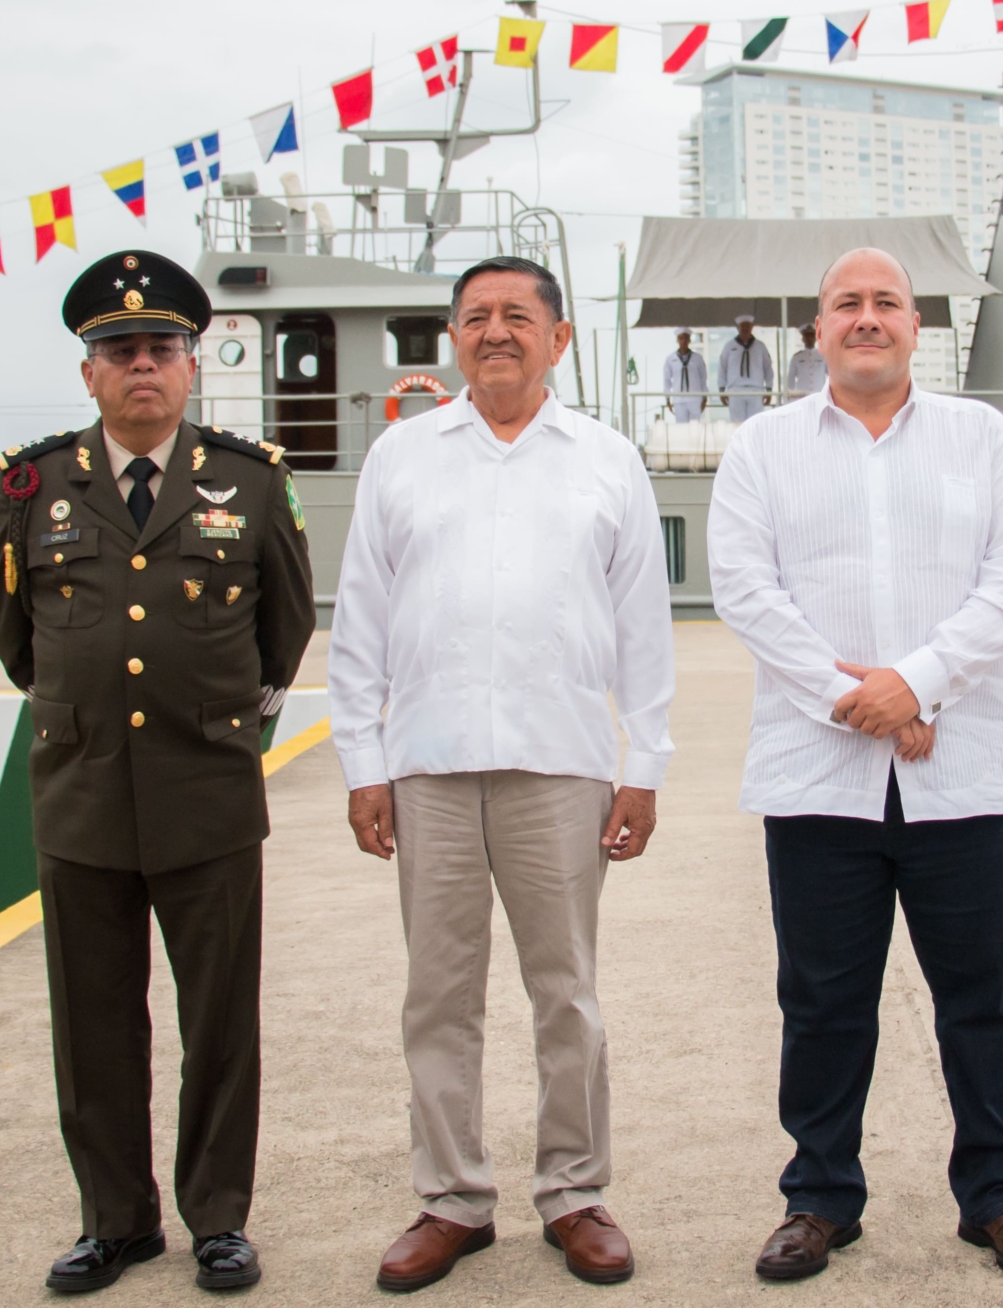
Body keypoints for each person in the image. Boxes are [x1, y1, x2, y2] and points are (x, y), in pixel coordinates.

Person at [710, 247, 1003, 1283]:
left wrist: (918, 680)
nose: (866, 317)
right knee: (821, 997)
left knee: (981, 995)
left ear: (918, 325)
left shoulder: (981, 438)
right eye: (845, 303)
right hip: (817, 774)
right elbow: (743, 587)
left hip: (959, 770)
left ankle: (995, 1192)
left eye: (886, 302)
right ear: (816, 329)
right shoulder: (763, 447)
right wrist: (854, 697)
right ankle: (819, 1195)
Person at [333, 255, 677, 1293]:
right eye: (476, 316)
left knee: (564, 990)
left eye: (517, 316)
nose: (495, 332)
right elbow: (361, 621)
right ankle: (450, 1198)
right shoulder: (400, 456)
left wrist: (643, 767)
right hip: (429, 762)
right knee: (437, 995)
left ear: (558, 339)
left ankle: (574, 1191)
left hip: (561, 762)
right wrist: (363, 760)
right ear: (452, 338)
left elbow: (642, 630)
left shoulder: (607, 459)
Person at [0, 249, 316, 1294]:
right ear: (89, 372)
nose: (141, 366)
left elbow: (285, 629)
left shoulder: (250, 481)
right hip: (80, 793)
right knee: (92, 1022)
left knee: (219, 1019)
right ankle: (116, 1221)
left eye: (160, 348)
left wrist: (213, 717)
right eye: (118, 350)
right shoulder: (34, 484)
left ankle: (217, 1218)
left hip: (206, 791)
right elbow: (13, 633)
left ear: (191, 364)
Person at [719, 313, 773, 422]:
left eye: (747, 326)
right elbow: (722, 367)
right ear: (738, 328)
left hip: (756, 390)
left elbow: (768, 368)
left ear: (752, 327)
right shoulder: (729, 346)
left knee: (755, 423)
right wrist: (721, 389)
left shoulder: (760, 346)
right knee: (737, 425)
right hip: (735, 390)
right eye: (742, 326)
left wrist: (769, 388)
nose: (745, 328)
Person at [663, 327, 709, 422]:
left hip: (695, 398)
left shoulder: (698, 358)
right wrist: (667, 398)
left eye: (686, 338)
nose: (683, 341)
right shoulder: (671, 359)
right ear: (677, 340)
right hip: (679, 399)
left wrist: (705, 397)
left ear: (689, 340)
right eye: (681, 338)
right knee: (681, 428)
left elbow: (703, 379)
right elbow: (666, 380)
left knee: (695, 428)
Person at [785, 322, 826, 397]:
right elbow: (791, 378)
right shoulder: (796, 357)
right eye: (807, 336)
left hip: (819, 395)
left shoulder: (823, 356)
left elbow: (832, 375)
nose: (809, 339)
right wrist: (790, 394)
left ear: (816, 338)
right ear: (803, 339)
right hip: (802, 396)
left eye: (811, 336)